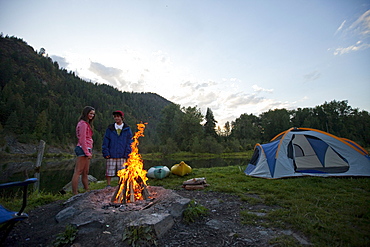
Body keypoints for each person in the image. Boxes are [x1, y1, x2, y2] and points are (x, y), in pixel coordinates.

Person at [102, 110, 133, 187]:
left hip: (122, 154)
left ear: (122, 117)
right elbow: (105, 141)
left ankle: (120, 185)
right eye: (115, 117)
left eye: (118, 116)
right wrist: (106, 152)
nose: (116, 118)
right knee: (109, 171)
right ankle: (108, 185)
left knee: (122, 171)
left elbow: (130, 142)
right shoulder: (110, 128)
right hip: (111, 154)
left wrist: (127, 153)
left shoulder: (127, 129)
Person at [71, 106, 95, 195]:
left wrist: (89, 151)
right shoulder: (83, 124)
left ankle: (86, 189)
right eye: (90, 113)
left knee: (85, 171)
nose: (92, 115)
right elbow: (82, 139)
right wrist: (86, 152)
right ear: (86, 113)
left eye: (93, 114)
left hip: (87, 149)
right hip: (82, 149)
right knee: (78, 171)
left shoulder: (86, 124)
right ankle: (75, 192)